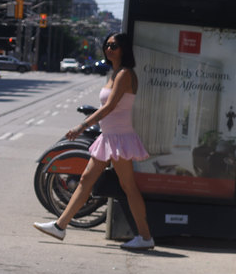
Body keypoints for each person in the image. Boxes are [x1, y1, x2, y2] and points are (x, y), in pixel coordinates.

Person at [34, 32, 156, 250]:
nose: (109, 48)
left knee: (128, 187)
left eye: (114, 45)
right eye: (107, 45)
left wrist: (81, 126)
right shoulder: (114, 73)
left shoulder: (125, 74)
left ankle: (146, 237)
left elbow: (108, 107)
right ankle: (60, 226)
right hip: (109, 137)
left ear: (124, 49)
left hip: (118, 138)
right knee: (85, 180)